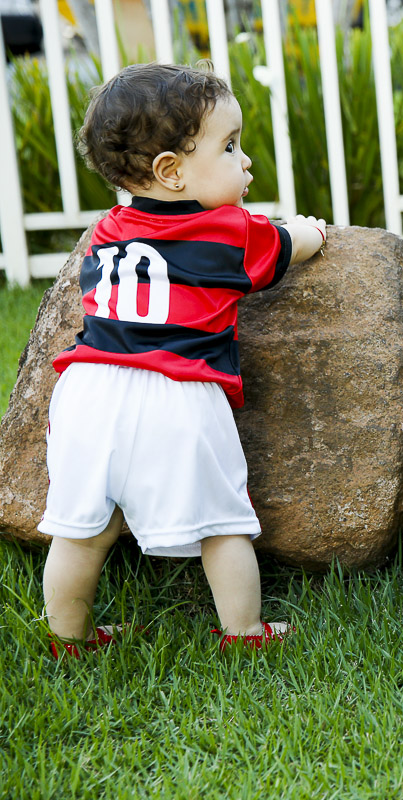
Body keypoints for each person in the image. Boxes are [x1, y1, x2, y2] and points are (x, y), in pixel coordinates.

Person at [37, 62, 326, 658]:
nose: (245, 162)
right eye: (229, 147)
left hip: (86, 389)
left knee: (81, 531)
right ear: (171, 172)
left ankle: (69, 636)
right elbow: (287, 248)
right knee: (224, 523)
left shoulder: (108, 232)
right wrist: (306, 232)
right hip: (176, 391)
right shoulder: (229, 231)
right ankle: (243, 633)